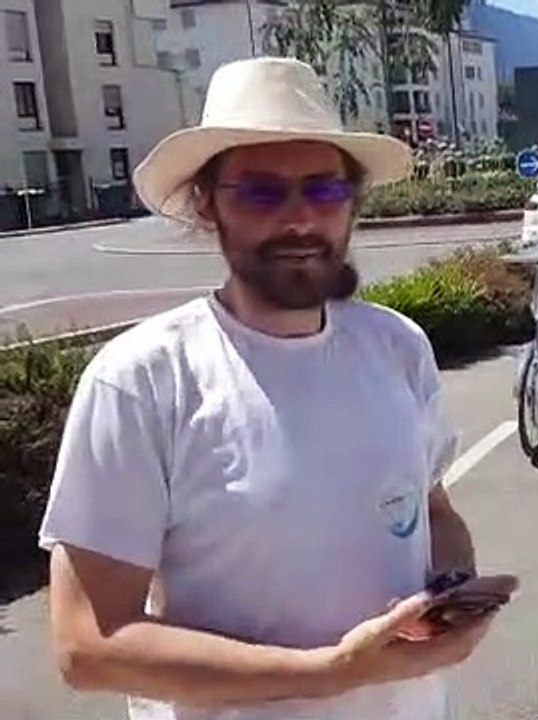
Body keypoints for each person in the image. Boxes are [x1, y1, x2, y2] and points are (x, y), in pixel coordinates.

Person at [37, 57, 510, 720]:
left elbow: (430, 512)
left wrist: (453, 594)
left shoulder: (397, 347)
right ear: (208, 204)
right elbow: (89, 645)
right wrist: (330, 673)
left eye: (323, 191)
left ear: (352, 202)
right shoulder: (141, 381)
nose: (298, 219)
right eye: (261, 192)